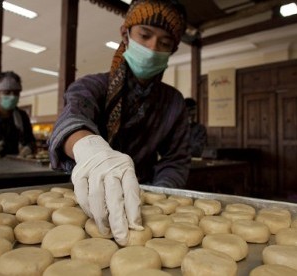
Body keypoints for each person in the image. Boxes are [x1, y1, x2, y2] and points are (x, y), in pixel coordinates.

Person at [48, 0, 190, 246]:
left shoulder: (174, 103)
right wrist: (90, 149)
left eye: (165, 43)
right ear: (125, 34)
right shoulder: (92, 87)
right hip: (87, 197)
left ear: (172, 50)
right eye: (144, 35)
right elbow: (73, 118)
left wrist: (156, 197)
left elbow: (175, 161)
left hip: (144, 200)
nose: (153, 48)